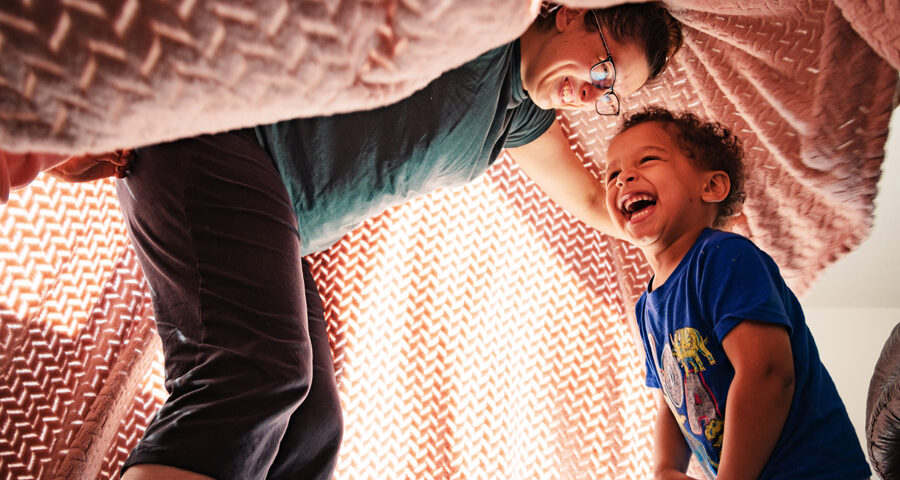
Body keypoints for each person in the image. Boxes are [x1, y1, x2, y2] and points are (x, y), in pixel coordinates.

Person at [2, 4, 682, 479]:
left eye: (609, 95)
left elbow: (598, 200)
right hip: (216, 149)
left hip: (273, 225)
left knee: (311, 428)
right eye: (602, 68)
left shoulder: (519, 121)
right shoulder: (482, 25)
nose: (591, 96)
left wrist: (671, 242)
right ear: (573, 13)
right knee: (253, 374)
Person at [603, 107, 871, 479]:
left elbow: (768, 372)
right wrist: (665, 468)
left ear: (711, 187)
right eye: (612, 174)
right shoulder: (647, 307)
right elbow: (672, 400)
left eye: (647, 159)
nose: (623, 178)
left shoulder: (724, 257)